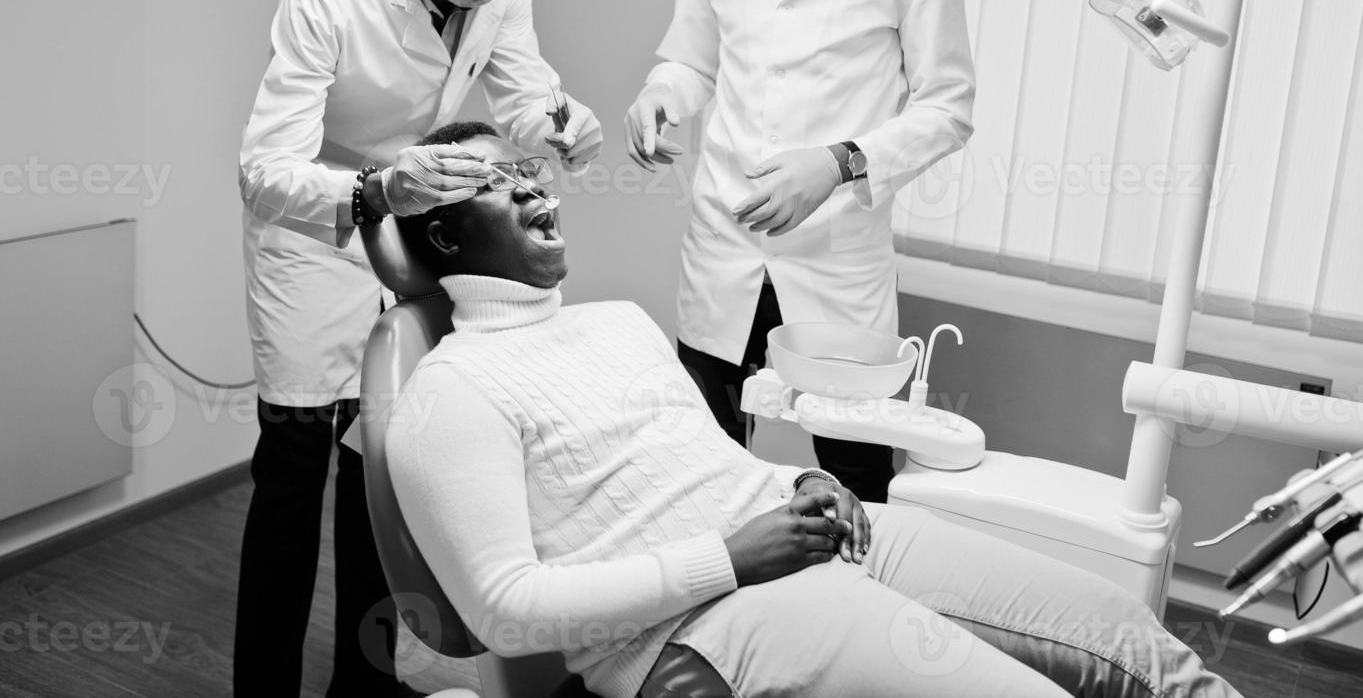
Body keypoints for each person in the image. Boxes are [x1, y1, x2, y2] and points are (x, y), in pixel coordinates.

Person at [385, 122, 1243, 698]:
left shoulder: (616, 322)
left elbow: (709, 465)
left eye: (531, 171)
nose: (540, 192)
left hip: (804, 532)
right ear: (447, 240)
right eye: (500, 184)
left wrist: (801, 477)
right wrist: (730, 559)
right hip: (704, 619)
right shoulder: (449, 392)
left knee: (1129, 643)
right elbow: (503, 610)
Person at [235, 0, 602, 697]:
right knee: (292, 473)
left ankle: (364, 688)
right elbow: (261, 168)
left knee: (384, 467)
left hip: (412, 230)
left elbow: (520, 93)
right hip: (314, 233)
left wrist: (561, 119)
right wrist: (372, 192)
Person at [624, 0, 975, 503]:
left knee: (855, 478)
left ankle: (847, 617)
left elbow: (948, 110)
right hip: (725, 243)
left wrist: (839, 162)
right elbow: (691, 61)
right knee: (704, 469)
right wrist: (661, 94)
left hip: (834, 261)